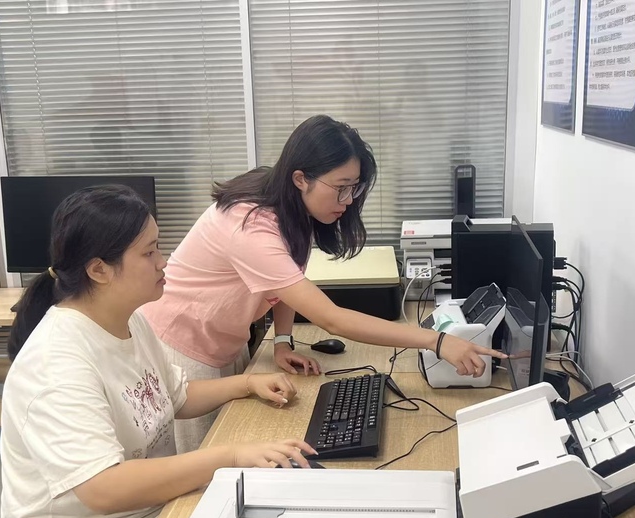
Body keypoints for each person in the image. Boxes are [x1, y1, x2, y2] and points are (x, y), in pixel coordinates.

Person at [0, 185, 315, 518]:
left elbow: (174, 397)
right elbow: (103, 489)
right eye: (149, 253)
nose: (163, 262)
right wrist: (229, 456)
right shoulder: (57, 362)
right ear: (99, 270)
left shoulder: (130, 321)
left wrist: (246, 384)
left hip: (148, 516)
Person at [142, 114, 506, 453]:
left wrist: (282, 342)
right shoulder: (250, 224)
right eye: (341, 188)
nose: (348, 201)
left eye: (354, 188)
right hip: (182, 344)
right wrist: (436, 341)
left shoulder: (290, 205)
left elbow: (285, 282)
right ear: (301, 179)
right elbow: (332, 319)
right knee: (206, 462)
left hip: (223, 337)